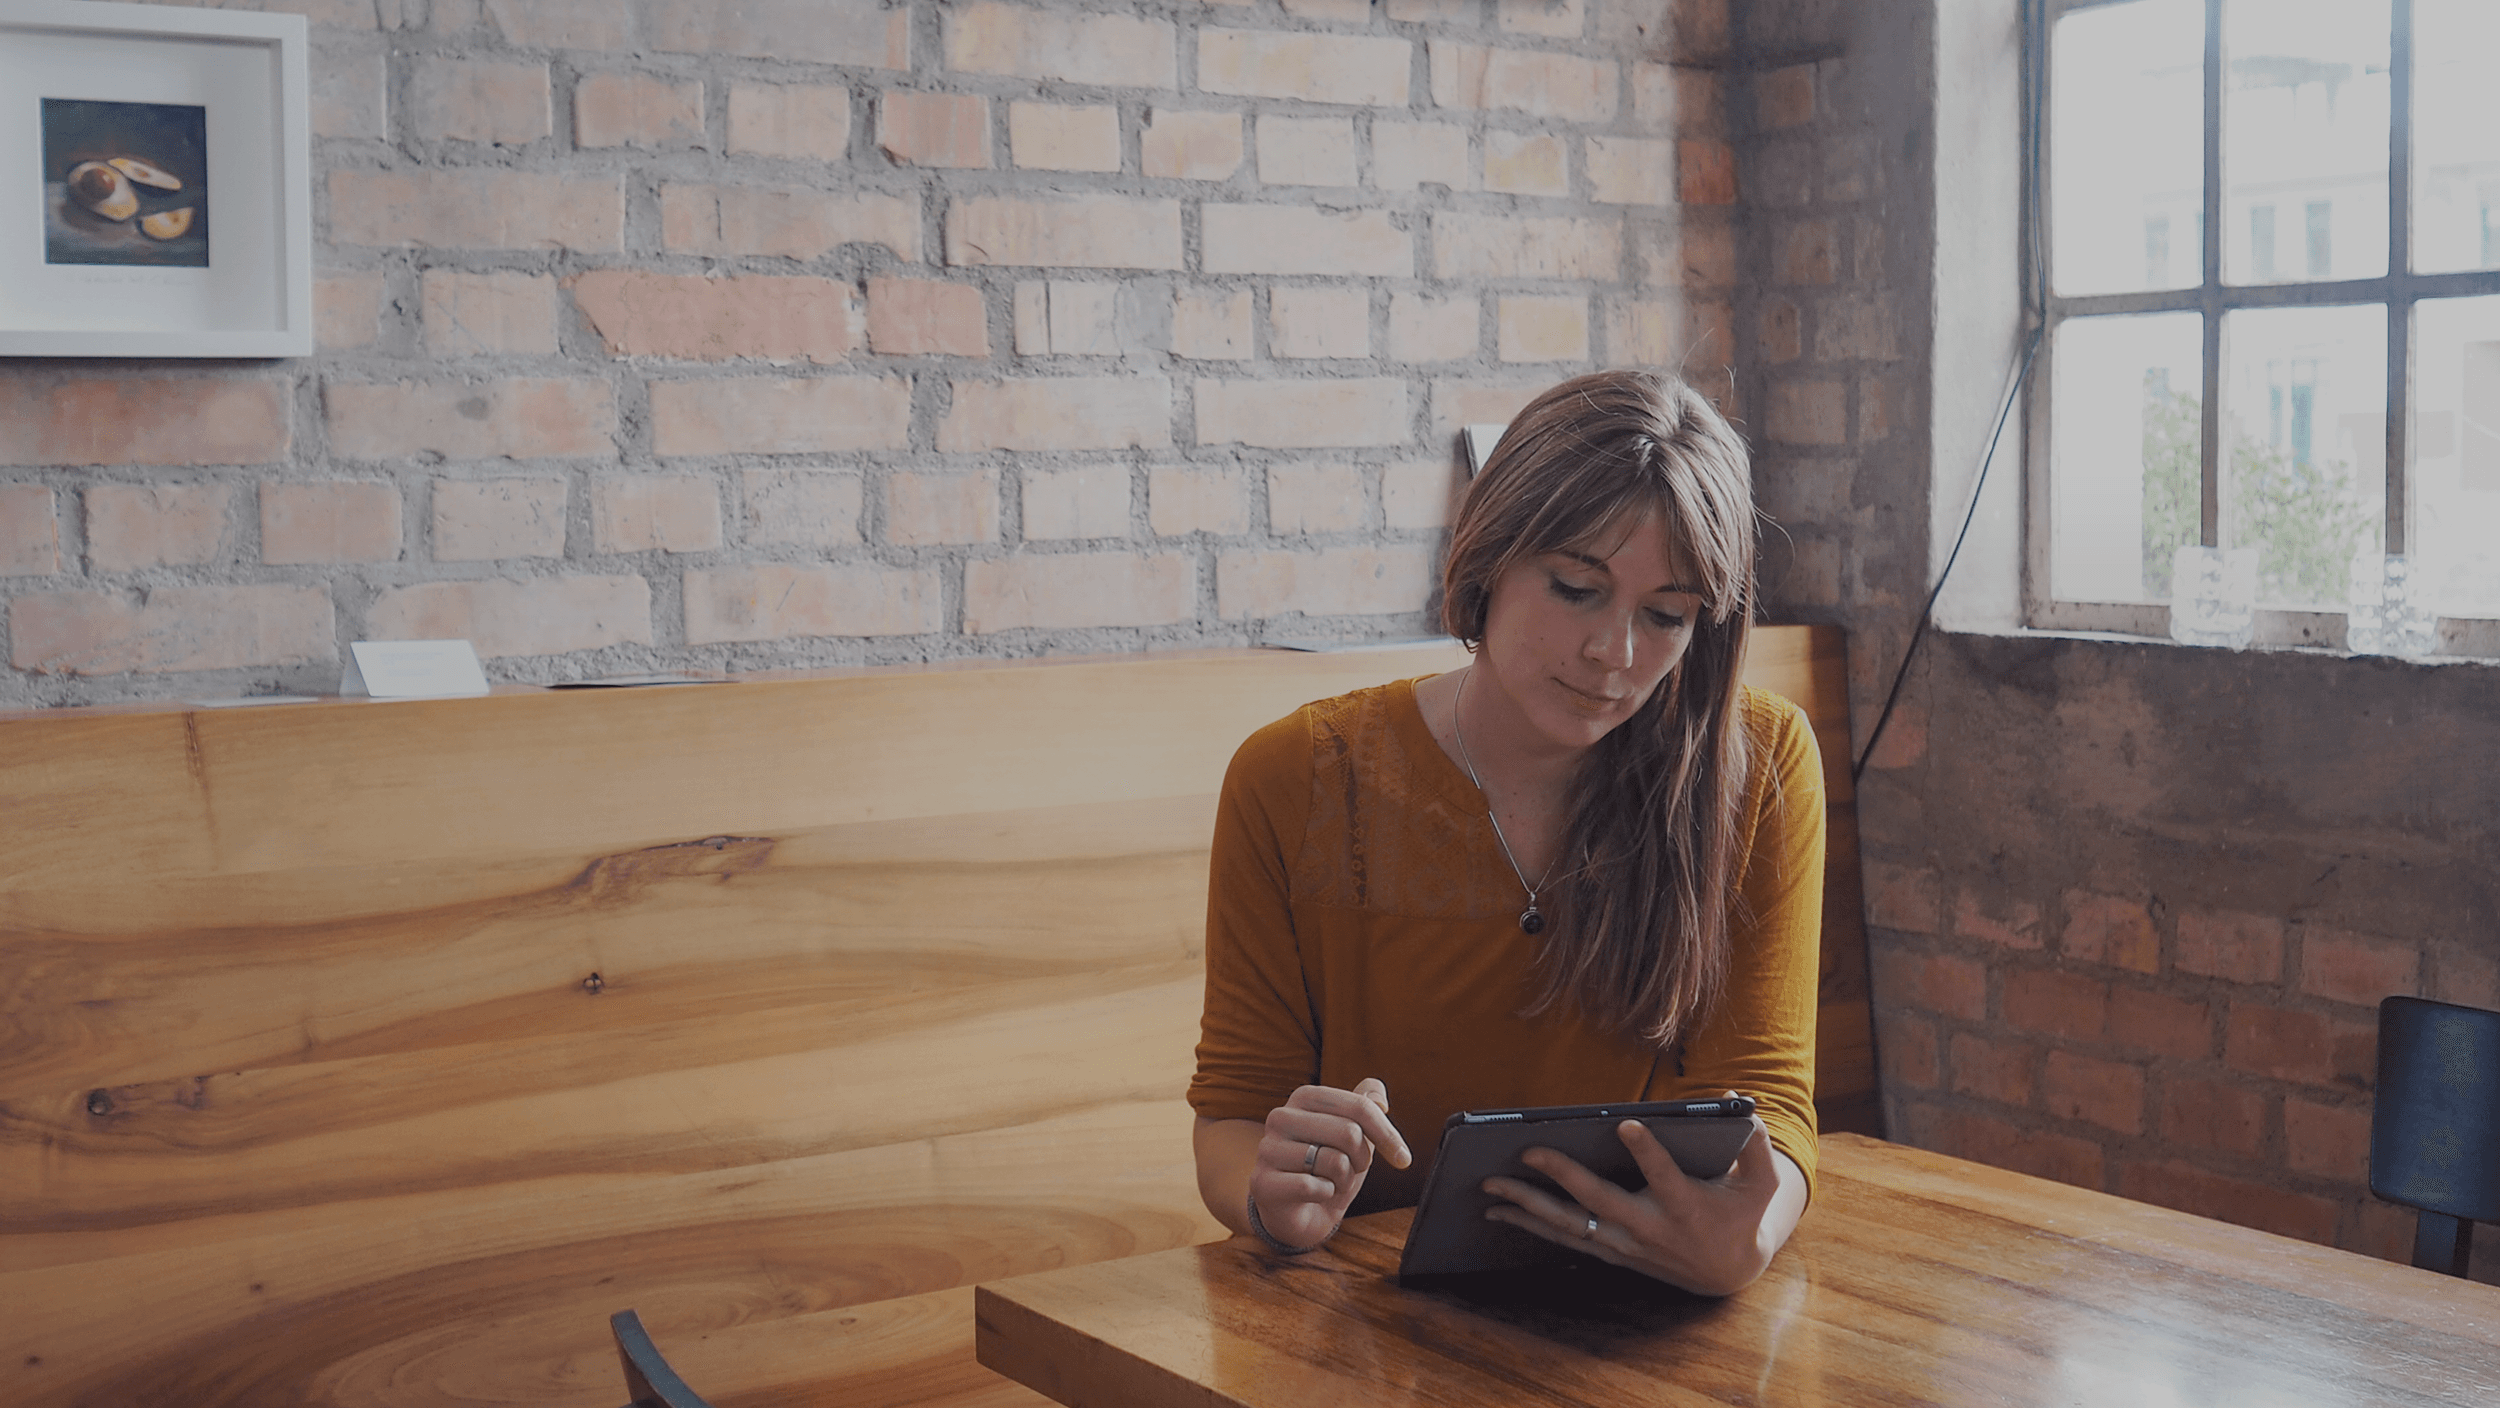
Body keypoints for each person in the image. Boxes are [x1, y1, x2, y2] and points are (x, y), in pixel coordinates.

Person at [1186, 369, 1825, 1296]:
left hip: (1639, 1309)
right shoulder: (1296, 779)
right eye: (1575, 588)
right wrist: (1270, 1194)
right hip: (1366, 1319)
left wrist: (1750, 1237)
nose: (1616, 653)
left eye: (1666, 615)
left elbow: (1769, 1099)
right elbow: (1236, 1118)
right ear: (1489, 558)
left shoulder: (1757, 763)